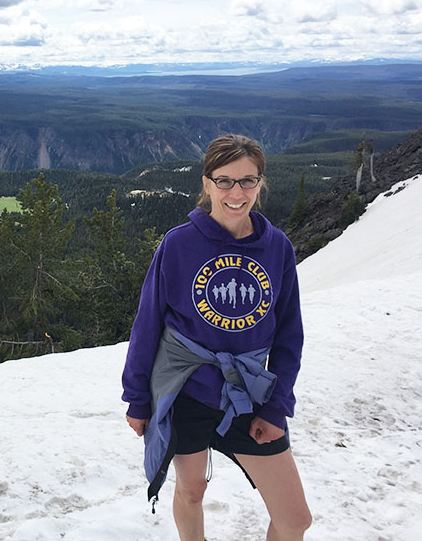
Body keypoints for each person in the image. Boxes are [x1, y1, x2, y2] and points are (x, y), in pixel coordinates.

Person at [121, 134, 311, 541]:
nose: (236, 192)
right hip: (187, 391)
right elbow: (147, 324)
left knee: (295, 520)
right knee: (190, 490)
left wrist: (277, 407)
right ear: (207, 184)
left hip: (248, 394)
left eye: (247, 180)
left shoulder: (277, 248)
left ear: (260, 185)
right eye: (224, 180)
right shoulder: (178, 244)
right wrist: (137, 399)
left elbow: (289, 335)